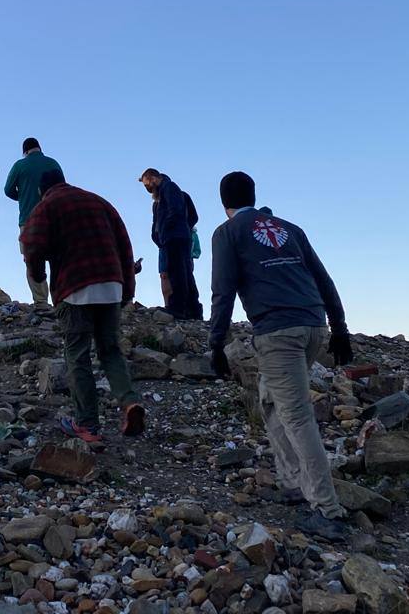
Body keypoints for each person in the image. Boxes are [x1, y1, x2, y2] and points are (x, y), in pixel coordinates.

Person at [209, 171, 354, 542]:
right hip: (313, 327)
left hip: (277, 333)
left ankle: (327, 509)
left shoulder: (227, 233)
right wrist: (339, 330)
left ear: (223, 201)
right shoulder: (289, 228)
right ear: (254, 195)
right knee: (270, 399)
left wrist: (215, 344)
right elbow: (325, 280)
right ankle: (292, 483)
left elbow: (223, 291)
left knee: (297, 416)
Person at [21, 169, 145, 445]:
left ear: (43, 190)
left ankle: (87, 425)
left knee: (77, 355)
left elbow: (31, 243)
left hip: (75, 287)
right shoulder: (99, 202)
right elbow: (125, 246)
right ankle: (129, 402)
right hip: (111, 284)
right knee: (110, 350)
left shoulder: (47, 206)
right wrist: (127, 291)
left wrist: (38, 275)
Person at [4, 138, 64, 307]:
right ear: (39, 148)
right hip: (54, 218)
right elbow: (62, 188)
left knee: (31, 260)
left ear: (25, 151)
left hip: (28, 219)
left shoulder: (19, 166)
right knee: (56, 259)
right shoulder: (52, 163)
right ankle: (60, 300)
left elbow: (8, 190)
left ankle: (41, 301)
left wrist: (22, 196)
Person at [139, 169, 203, 319]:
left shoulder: (170, 188)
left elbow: (184, 213)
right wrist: (158, 237)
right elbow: (156, 223)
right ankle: (193, 310)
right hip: (171, 239)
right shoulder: (158, 201)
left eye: (147, 184)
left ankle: (178, 307)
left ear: (153, 178)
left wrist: (172, 228)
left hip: (176, 237)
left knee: (178, 272)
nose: (147, 188)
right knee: (183, 272)